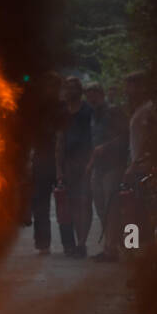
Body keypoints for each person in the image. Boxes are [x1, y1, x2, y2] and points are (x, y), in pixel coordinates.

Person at [84, 82, 128, 262]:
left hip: (113, 166)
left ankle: (111, 249)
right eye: (88, 95)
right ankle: (111, 246)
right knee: (101, 208)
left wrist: (106, 147)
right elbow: (94, 142)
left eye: (93, 94)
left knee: (112, 208)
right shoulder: (94, 114)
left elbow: (125, 136)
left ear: (101, 94)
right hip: (98, 167)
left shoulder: (113, 111)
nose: (91, 98)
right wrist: (91, 162)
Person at [54, 76, 93, 257]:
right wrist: (59, 169)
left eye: (72, 87)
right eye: (66, 87)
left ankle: (82, 243)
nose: (69, 91)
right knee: (72, 205)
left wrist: (92, 162)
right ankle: (78, 243)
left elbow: (96, 135)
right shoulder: (63, 112)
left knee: (84, 203)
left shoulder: (87, 110)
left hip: (86, 162)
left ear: (79, 90)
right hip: (69, 163)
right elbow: (60, 141)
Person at [27, 72, 63, 253]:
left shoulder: (64, 108)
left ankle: (70, 244)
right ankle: (43, 244)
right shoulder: (38, 109)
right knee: (40, 205)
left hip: (60, 160)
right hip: (42, 160)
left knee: (67, 202)